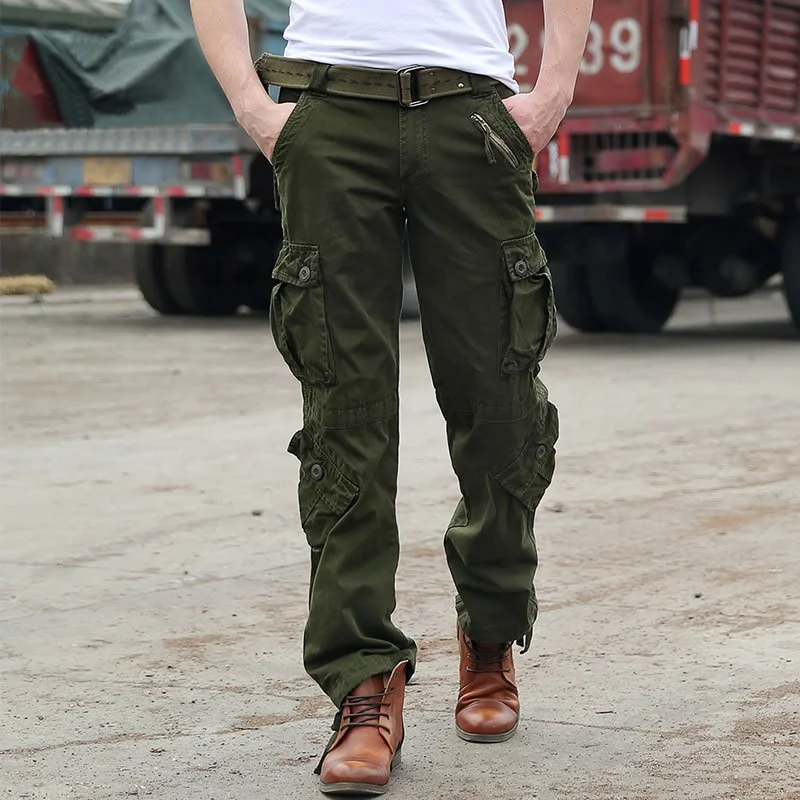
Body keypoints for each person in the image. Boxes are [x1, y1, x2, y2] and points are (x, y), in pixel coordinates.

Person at [191, 0, 592, 793]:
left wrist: (554, 92)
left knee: (501, 404)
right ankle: (365, 684)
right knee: (345, 417)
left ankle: (490, 633)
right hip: (331, 111)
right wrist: (252, 105)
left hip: (470, 114)